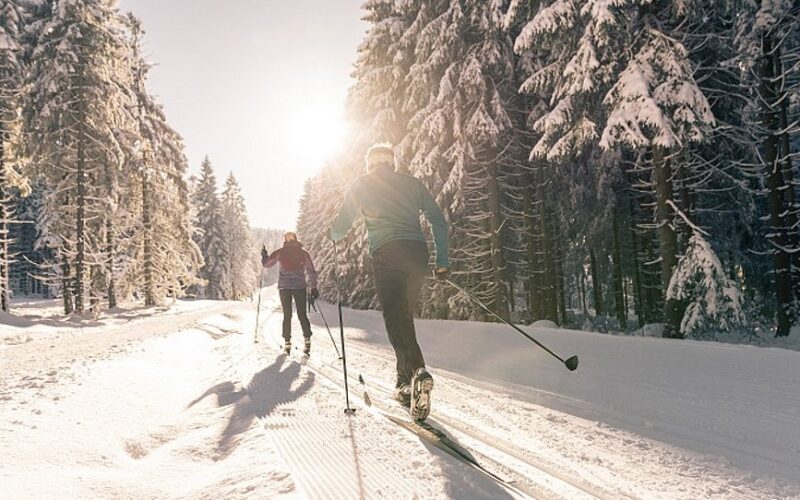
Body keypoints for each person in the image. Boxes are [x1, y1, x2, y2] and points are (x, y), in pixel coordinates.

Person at [329, 143, 449, 421]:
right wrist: (442, 262)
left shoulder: (362, 184)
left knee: (396, 318)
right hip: (417, 254)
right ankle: (403, 382)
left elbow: (341, 225)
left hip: (387, 253)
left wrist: (332, 234)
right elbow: (438, 221)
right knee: (403, 316)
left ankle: (417, 371)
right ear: (392, 162)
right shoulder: (413, 184)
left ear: (371, 164)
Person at [262, 232, 319, 355]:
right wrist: (314, 287)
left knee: (287, 316)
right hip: (299, 287)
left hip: (285, 287)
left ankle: (287, 342)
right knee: (302, 315)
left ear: (286, 240)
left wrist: (264, 256)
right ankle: (307, 340)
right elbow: (311, 270)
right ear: (296, 239)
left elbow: (267, 264)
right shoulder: (303, 253)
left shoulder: (280, 252)